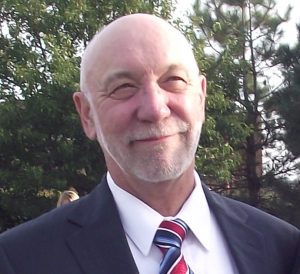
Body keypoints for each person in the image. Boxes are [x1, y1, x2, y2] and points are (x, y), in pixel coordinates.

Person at [0, 13, 299, 274]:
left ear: (201, 97)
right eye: (124, 87)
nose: (155, 108)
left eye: (173, 80)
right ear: (87, 114)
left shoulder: (282, 249)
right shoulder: (20, 260)